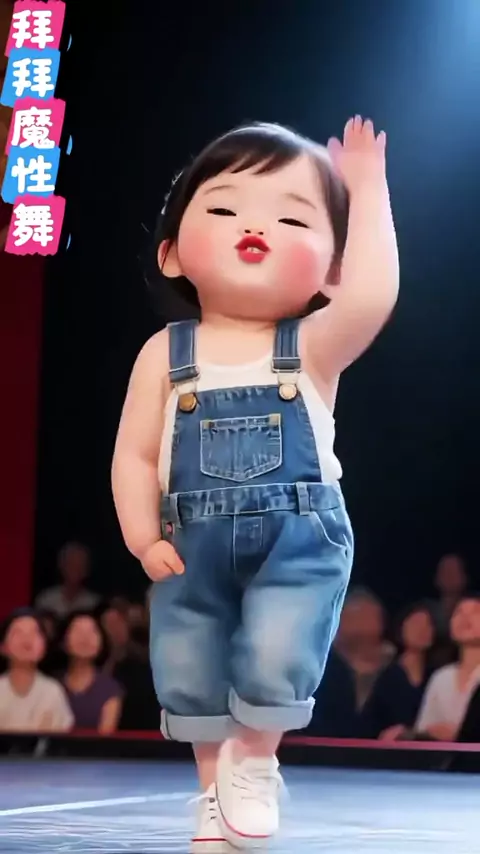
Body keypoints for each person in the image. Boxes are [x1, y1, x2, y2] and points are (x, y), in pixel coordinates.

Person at [112, 117, 398, 849]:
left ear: (332, 270)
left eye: (292, 217)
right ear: (172, 253)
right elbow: (136, 455)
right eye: (226, 206)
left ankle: (257, 764)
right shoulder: (163, 353)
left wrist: (367, 190)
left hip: (297, 537)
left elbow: (373, 296)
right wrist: (141, 535)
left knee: (277, 652)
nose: (256, 226)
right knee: (192, 668)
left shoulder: (312, 346)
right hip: (188, 542)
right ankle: (215, 795)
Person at [360, 603, 435, 740]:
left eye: (427, 625)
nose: (421, 630)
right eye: (415, 623)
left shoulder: (437, 675)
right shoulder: (384, 675)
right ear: (401, 628)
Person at [415, 596, 480, 741]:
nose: (465, 617)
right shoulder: (441, 677)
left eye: (476, 611)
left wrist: (460, 734)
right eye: (459, 612)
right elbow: (423, 729)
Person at [0, 608, 73, 733]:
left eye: (35, 632)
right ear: (3, 647)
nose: (27, 638)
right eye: (18, 632)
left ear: (44, 646)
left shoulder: (53, 691)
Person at [59, 612, 124, 733]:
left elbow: (105, 736)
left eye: (92, 631)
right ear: (64, 640)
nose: (85, 638)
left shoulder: (110, 689)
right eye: (78, 631)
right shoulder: (53, 685)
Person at [35, 541, 100, 619]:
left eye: (79, 565)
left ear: (86, 570)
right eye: (71, 564)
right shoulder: (46, 600)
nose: (75, 570)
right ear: (61, 566)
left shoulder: (94, 604)